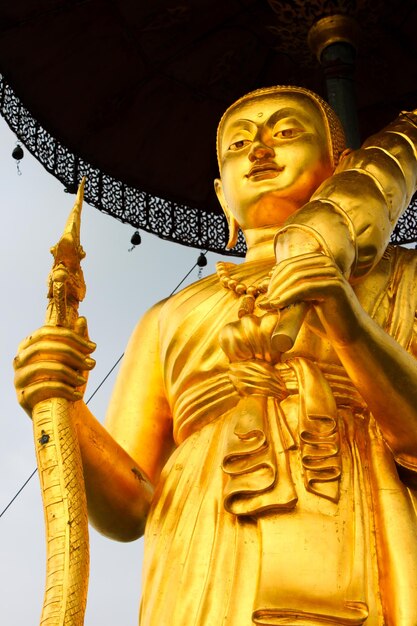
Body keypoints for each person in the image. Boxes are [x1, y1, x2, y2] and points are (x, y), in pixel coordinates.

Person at [14, 86, 417, 625]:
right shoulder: (169, 316)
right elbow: (130, 505)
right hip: (204, 540)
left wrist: (351, 328)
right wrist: (63, 406)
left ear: (339, 166)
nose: (260, 151)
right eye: (238, 144)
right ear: (221, 196)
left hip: (360, 509)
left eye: (286, 133)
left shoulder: (401, 277)